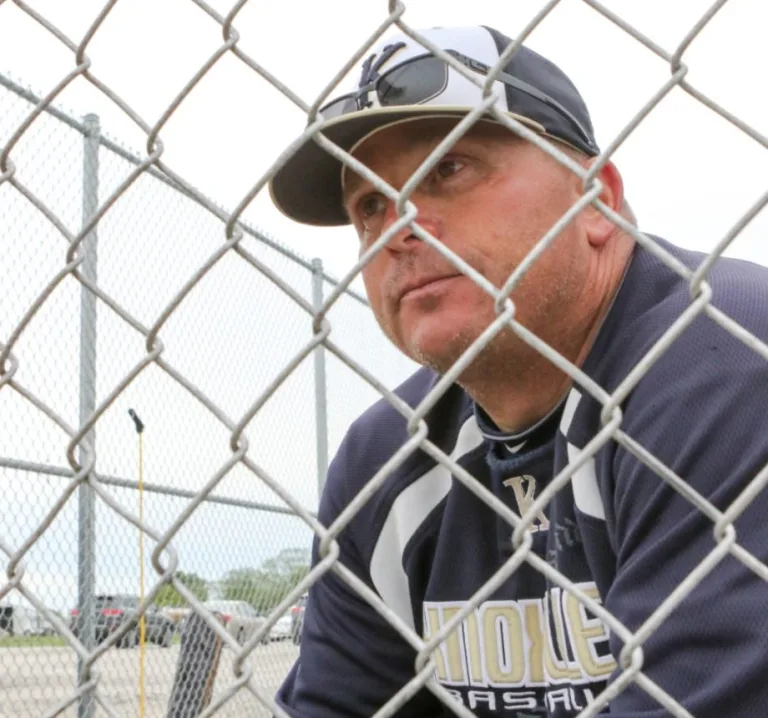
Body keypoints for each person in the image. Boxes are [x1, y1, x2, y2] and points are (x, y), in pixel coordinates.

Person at [268, 24, 768, 718]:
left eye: (449, 168)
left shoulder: (728, 358)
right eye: (370, 206)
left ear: (596, 199)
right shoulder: (384, 460)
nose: (399, 228)